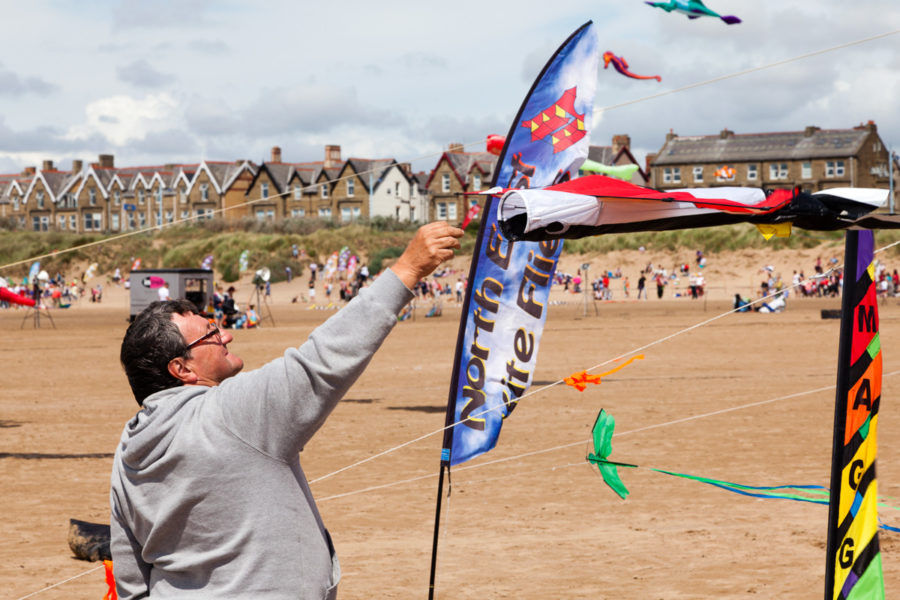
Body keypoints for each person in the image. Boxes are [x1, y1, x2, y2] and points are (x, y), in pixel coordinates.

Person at [110, 222, 463, 599]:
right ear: (182, 369)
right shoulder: (229, 412)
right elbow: (323, 360)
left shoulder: (130, 443)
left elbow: (131, 580)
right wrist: (407, 270)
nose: (225, 334)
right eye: (210, 333)